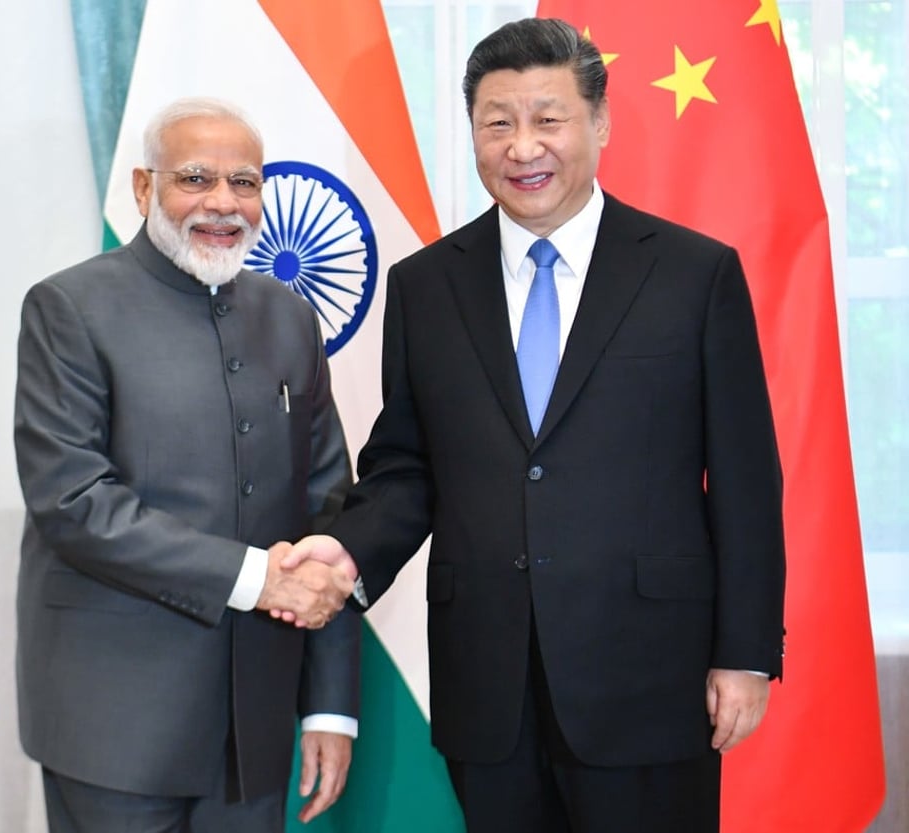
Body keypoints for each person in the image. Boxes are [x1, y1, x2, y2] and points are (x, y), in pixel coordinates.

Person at [280, 18, 785, 833]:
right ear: (475, 132)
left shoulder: (695, 275)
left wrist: (747, 650)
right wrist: (345, 549)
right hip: (490, 684)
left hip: (650, 676)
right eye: (498, 123)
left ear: (600, 124)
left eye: (548, 119)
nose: (523, 148)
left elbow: (746, 483)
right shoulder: (425, 286)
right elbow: (408, 466)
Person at [13, 96, 360, 833]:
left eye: (245, 182)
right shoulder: (69, 308)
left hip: (257, 725)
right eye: (196, 178)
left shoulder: (289, 317)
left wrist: (330, 704)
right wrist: (257, 576)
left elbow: (329, 512)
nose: (223, 203)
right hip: (113, 725)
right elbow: (74, 501)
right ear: (145, 189)